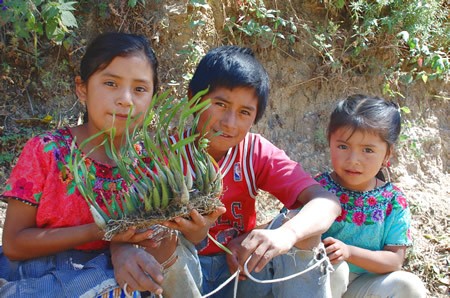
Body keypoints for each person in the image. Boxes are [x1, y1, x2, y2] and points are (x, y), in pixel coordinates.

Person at [0, 32, 226, 298]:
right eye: (110, 83)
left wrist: (198, 230)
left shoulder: (153, 163)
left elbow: (163, 239)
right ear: (82, 88)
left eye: (140, 89)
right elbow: (14, 243)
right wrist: (104, 232)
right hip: (42, 278)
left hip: (124, 273)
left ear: (153, 98)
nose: (126, 100)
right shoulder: (47, 151)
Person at [113, 45, 341, 297]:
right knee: (158, 237)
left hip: (243, 273)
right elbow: (126, 222)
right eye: (220, 104)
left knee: (300, 226)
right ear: (193, 98)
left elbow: (327, 202)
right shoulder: (163, 154)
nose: (230, 123)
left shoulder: (254, 151)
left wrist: (285, 234)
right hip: (183, 276)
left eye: (244, 112)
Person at [316, 94, 427, 297]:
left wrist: (349, 252)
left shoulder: (393, 200)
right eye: (343, 146)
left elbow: (394, 261)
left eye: (367, 150)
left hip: (365, 286)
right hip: (318, 283)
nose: (353, 160)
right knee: (335, 270)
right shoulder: (317, 188)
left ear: (387, 154)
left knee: (409, 286)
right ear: (329, 141)